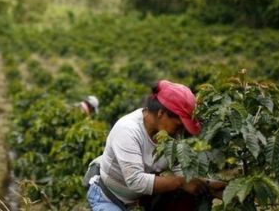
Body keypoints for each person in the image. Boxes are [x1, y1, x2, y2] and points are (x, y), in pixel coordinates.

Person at [86, 80, 225, 211]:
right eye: (178, 125)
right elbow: (136, 181)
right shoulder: (127, 130)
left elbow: (182, 172)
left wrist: (210, 184)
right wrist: (181, 182)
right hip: (108, 198)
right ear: (161, 113)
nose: (181, 131)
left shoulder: (170, 136)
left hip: (139, 200)